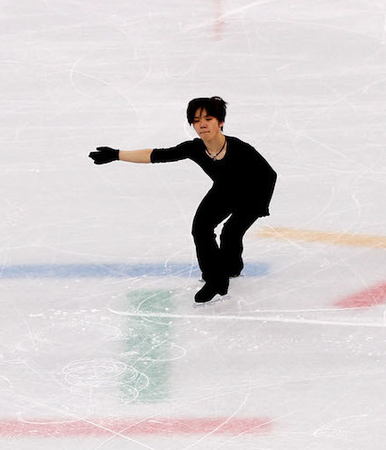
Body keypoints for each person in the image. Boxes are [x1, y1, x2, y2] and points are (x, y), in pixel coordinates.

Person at [90, 97, 277, 303]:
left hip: (252, 194)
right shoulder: (195, 148)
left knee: (231, 231)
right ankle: (217, 279)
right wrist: (117, 154)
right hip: (224, 190)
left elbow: (270, 175)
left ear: (220, 122)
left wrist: (259, 206)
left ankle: (231, 268)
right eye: (196, 120)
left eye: (208, 118)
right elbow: (157, 155)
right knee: (201, 228)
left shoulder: (241, 149)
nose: (202, 124)